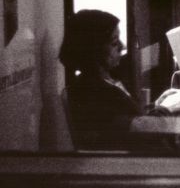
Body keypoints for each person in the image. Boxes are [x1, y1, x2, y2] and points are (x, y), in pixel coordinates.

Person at [59, 9, 142, 149]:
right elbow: (139, 132)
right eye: (114, 42)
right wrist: (165, 110)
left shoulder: (103, 82)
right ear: (94, 49)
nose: (122, 46)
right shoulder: (92, 93)